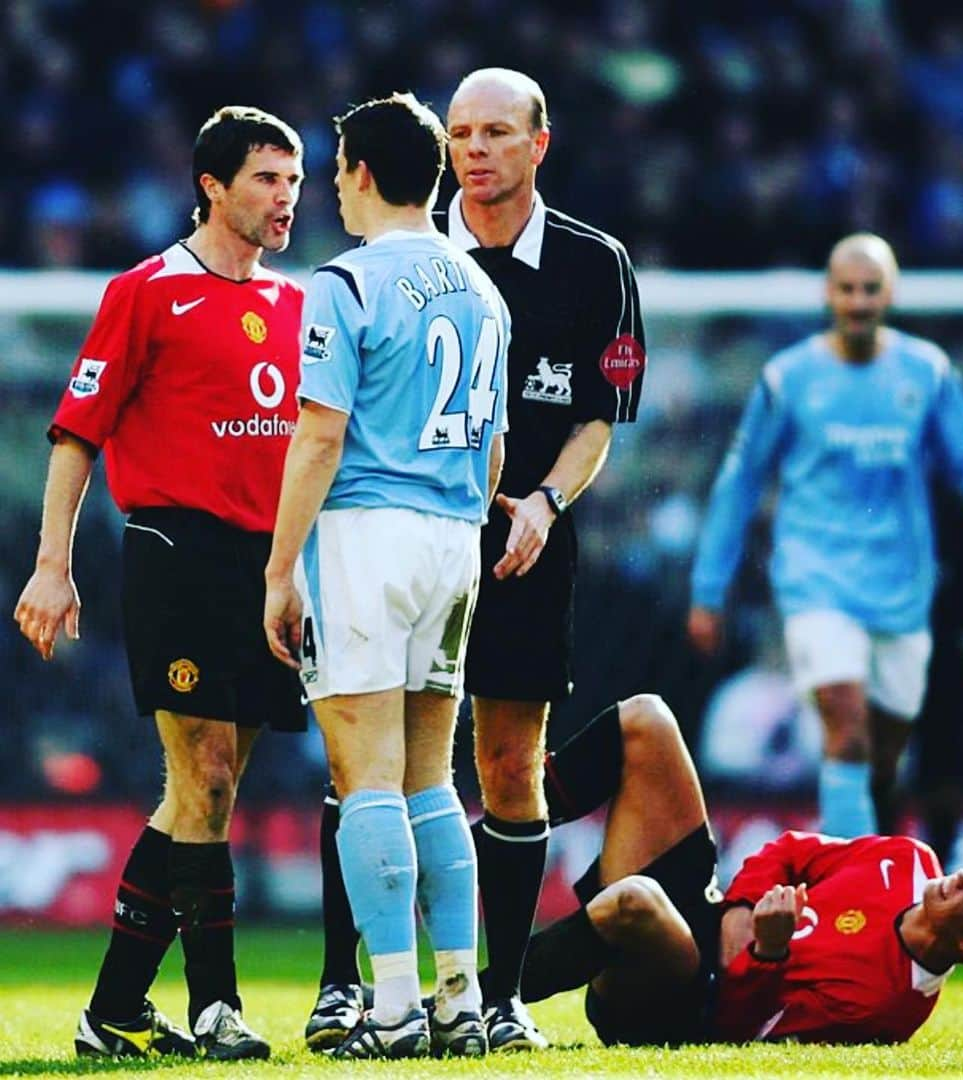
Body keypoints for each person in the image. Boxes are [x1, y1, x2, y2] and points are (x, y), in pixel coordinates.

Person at [306, 67, 647, 1053]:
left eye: (497, 131)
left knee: (502, 766)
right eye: (460, 133)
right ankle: (347, 986)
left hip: (514, 543)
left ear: (541, 143)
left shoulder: (595, 264)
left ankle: (493, 999)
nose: (476, 150)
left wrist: (543, 502)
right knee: (366, 766)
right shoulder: (417, 256)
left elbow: (600, 418)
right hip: (432, 533)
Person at [12, 106, 306, 1060]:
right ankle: (219, 1007)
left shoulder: (298, 305)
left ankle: (115, 1009)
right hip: (174, 550)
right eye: (266, 179)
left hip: (266, 566)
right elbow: (77, 432)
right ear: (213, 187)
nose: (285, 198)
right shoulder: (147, 291)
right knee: (207, 778)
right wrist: (53, 565)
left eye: (294, 181)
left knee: (199, 800)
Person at [263, 92, 510, 1061]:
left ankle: (396, 1007)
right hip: (454, 537)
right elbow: (493, 453)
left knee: (363, 778)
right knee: (431, 783)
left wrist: (282, 568)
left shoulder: (345, 283)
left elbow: (319, 435)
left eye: (333, 169)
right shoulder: (480, 289)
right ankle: (459, 1000)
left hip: (366, 534)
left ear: (359, 174)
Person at [688, 233, 963, 840]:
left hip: (903, 588)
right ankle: (855, 892)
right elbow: (739, 483)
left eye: (871, 289)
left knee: (885, 756)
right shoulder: (788, 379)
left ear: (889, 293)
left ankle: (874, 850)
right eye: (847, 289)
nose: (859, 301)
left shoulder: (926, 371)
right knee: (845, 729)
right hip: (816, 581)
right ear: (829, 293)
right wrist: (709, 589)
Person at [517, 695, 963, 1046]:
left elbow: (734, 1031)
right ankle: (503, 827)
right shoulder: (908, 860)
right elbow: (790, 850)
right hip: (711, 917)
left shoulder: (885, 1007)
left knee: (636, 900)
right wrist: (740, 910)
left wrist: (769, 953)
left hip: (682, 998)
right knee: (648, 718)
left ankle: (489, 995)